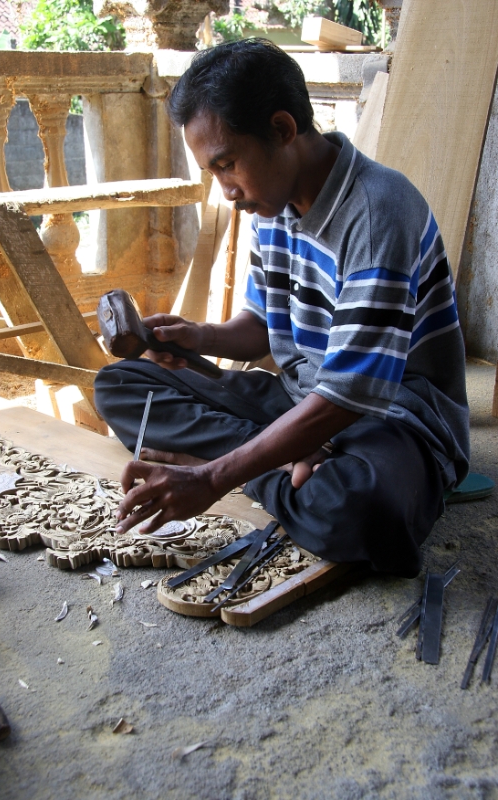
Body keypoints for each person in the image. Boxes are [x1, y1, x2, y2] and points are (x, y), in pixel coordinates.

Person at [95, 38, 470, 578]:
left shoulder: (378, 211)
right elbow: (266, 329)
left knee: (358, 511)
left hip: (392, 419)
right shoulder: (271, 205)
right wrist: (200, 338)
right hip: (299, 401)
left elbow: (348, 399)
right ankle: (281, 458)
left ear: (282, 129)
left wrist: (212, 478)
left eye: (227, 164)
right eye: (214, 172)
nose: (226, 191)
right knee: (121, 385)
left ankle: (252, 460)